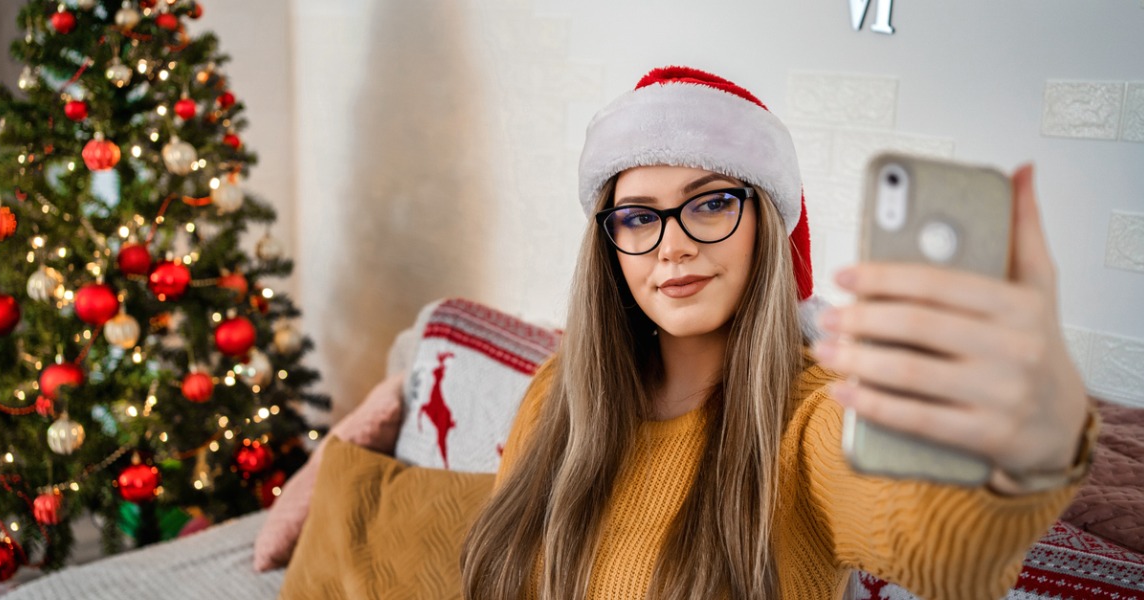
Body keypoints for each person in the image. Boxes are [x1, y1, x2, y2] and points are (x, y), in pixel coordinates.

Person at [460, 66, 1097, 600]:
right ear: (610, 245)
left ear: (767, 223)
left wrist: (1036, 437)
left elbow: (940, 543)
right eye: (636, 217)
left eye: (710, 202)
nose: (672, 247)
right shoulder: (556, 393)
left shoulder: (817, 413)